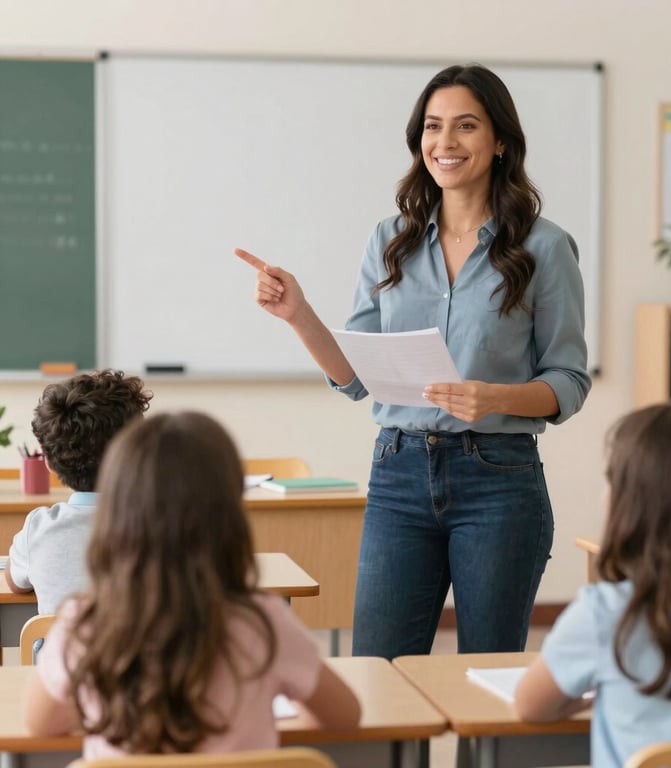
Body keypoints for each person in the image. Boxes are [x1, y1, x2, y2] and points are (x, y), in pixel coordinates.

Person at [235, 63, 590, 659]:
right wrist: (299, 314)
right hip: (398, 472)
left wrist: (496, 396)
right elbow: (355, 378)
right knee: (379, 673)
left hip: (498, 479)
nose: (445, 143)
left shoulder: (544, 247)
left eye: (466, 126)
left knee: (485, 674)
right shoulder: (390, 239)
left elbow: (569, 380)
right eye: (433, 126)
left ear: (500, 140)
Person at [24, 410, 361, 757]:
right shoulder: (264, 622)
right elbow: (345, 717)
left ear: (116, 513)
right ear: (230, 515)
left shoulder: (85, 624)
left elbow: (41, 725)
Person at [515, 401, 671, 768]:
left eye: (612, 480)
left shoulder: (604, 613)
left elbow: (530, 706)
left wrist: (589, 699)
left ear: (630, 503)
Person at [5, 369, 152, 614]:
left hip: (62, 653)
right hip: (142, 652)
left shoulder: (38, 527)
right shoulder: (162, 525)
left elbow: (15, 582)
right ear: (136, 455)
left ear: (49, 464)